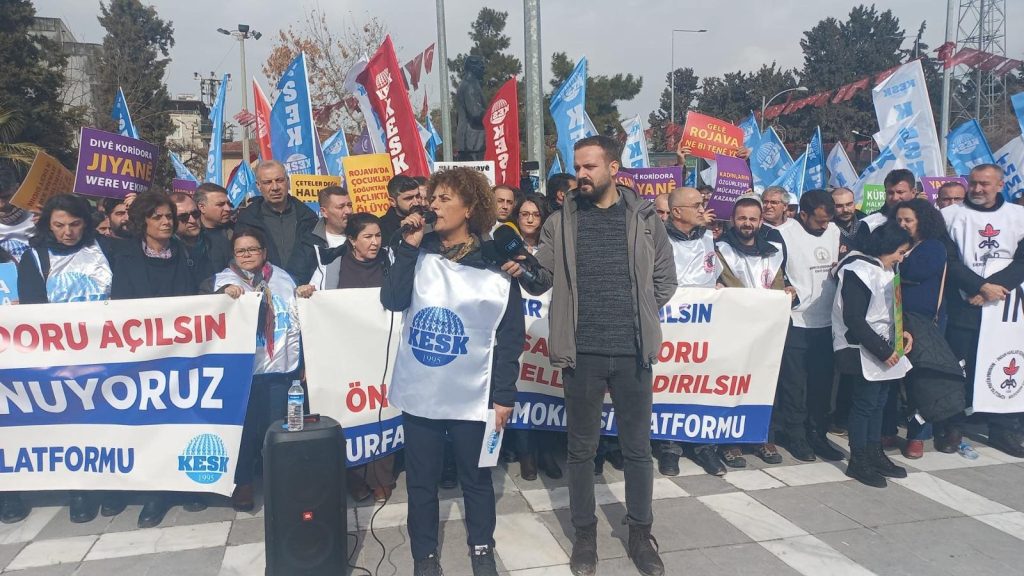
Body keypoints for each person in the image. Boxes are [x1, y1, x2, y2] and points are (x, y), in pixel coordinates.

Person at [507, 135, 675, 576]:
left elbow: (665, 278)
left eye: (589, 167)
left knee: (638, 450)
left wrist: (639, 313)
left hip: (633, 352)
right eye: (577, 167)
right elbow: (541, 278)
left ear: (613, 169)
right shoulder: (560, 221)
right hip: (581, 354)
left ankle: (640, 531)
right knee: (581, 451)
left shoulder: (642, 217)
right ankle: (585, 535)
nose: (580, 175)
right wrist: (521, 268)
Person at [382, 167, 523, 576]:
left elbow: (510, 336)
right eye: (432, 198)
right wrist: (406, 246)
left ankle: (481, 548)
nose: (433, 205)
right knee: (422, 483)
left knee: (477, 480)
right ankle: (424, 555)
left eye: (444, 198)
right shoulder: (417, 250)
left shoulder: (497, 265)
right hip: (422, 393)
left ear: (469, 208)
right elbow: (392, 300)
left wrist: (503, 397)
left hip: (474, 396)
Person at [12, 194, 120, 525]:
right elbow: (32, 311)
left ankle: (115, 485)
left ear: (85, 223)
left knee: (112, 421)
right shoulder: (36, 257)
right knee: (74, 426)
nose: (68, 232)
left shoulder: (106, 249)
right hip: (64, 357)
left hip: (111, 353)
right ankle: (81, 490)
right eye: (59, 225)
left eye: (74, 224)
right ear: (48, 224)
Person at [107, 192, 205, 527]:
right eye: (158, 217)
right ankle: (156, 493)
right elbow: (121, 308)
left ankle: (189, 483)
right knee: (152, 425)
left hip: (183, 354)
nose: (165, 223)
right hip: (145, 358)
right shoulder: (125, 257)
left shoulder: (186, 254)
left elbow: (200, 299)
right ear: (143, 222)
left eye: (169, 217)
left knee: (184, 419)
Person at [203, 229, 303, 511]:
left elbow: (296, 318)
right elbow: (208, 312)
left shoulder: (282, 278)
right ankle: (243, 482)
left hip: (280, 368)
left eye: (253, 249)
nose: (247, 255)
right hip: (243, 373)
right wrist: (224, 295)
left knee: (279, 429)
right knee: (245, 432)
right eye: (241, 251)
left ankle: (280, 481)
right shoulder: (224, 280)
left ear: (264, 252)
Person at [942, 163, 1024, 457]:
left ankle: (1004, 428)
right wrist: (978, 287)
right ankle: (953, 426)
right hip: (966, 305)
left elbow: (1021, 261)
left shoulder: (1018, 216)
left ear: (1000, 185)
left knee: (1005, 364)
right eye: (973, 183)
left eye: (984, 184)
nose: (977, 189)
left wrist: (994, 288)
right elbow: (948, 260)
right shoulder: (950, 216)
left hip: (1004, 309)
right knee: (958, 369)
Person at [655, 187, 737, 477]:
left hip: (704, 325)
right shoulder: (657, 238)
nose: (704, 209)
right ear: (677, 213)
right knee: (673, 383)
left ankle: (704, 447)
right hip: (672, 326)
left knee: (703, 382)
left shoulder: (707, 236)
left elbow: (710, 271)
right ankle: (670, 448)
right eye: (697, 205)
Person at [832, 222, 914, 488]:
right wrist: (882, 350)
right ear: (886, 247)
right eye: (899, 252)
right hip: (861, 347)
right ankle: (859, 459)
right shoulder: (859, 270)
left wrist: (904, 332)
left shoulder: (886, 270)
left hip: (885, 346)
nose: (901, 258)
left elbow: (891, 308)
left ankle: (874, 452)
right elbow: (854, 318)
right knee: (864, 404)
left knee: (879, 402)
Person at [889, 198, 970, 459]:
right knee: (889, 376)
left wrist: (893, 262)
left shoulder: (934, 247)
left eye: (908, 220)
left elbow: (915, 272)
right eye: (899, 220)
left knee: (921, 380)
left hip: (922, 323)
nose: (903, 225)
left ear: (922, 221)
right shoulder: (897, 244)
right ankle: (887, 428)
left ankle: (917, 436)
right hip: (893, 318)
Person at [716, 195, 791, 465]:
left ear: (760, 221)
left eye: (752, 218)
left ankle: (761, 437)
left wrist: (786, 292)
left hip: (766, 331)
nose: (747, 223)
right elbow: (729, 283)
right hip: (734, 330)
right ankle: (728, 441)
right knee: (732, 384)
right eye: (742, 218)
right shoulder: (720, 249)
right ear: (733, 220)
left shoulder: (773, 250)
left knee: (765, 384)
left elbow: (779, 284)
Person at [775, 190, 844, 462]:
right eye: (819, 221)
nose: (824, 226)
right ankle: (795, 435)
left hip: (828, 321)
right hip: (798, 320)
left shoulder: (835, 231)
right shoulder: (783, 234)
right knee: (795, 384)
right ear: (802, 214)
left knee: (822, 384)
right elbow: (774, 271)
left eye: (827, 221)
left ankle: (818, 434)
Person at [504, 194, 563, 481]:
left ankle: (548, 453)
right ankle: (525, 453)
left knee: (547, 390)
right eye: (523, 214)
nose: (528, 219)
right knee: (521, 391)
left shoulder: (552, 248)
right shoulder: (505, 247)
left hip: (547, 329)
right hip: (518, 328)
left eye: (534, 215)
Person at [235, 160, 320, 284]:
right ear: (258, 186)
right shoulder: (247, 220)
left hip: (304, 292)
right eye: (267, 182)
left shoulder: (308, 218)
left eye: (279, 180)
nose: (275, 187)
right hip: (262, 291)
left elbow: (315, 259)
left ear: (288, 182)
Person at [171, 192, 230, 283]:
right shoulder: (165, 250)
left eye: (195, 213)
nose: (192, 220)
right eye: (183, 217)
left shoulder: (220, 243)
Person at [855, 169, 917, 242]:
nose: (895, 198)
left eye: (900, 192)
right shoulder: (871, 223)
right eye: (890, 193)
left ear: (913, 192)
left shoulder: (926, 220)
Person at [309, 186, 354, 287]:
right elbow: (296, 277)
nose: (348, 211)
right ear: (324, 212)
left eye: (349, 205)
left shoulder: (360, 235)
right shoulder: (308, 241)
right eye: (341, 207)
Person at [379, 174, 425, 241]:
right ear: (392, 202)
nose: (416, 202)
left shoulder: (429, 220)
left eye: (417, 196)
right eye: (409, 198)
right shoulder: (380, 228)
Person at [832, 187, 865, 257]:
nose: (845, 210)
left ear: (854, 203)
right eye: (839, 206)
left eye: (849, 204)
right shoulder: (826, 227)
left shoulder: (866, 222)